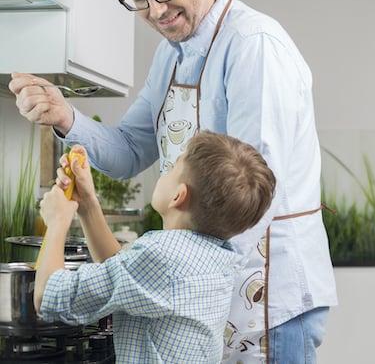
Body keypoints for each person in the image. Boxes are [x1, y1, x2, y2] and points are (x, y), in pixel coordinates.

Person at [10, 0, 337, 363]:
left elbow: (257, 193)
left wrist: (174, 277)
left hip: (267, 297)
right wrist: (65, 116)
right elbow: (128, 150)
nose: (156, 10)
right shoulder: (173, 55)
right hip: (207, 294)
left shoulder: (253, 46)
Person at [35, 130, 276, 363]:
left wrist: (58, 222)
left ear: (178, 196)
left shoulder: (161, 256)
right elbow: (124, 272)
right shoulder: (215, 255)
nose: (165, 172)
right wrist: (87, 204)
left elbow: (50, 296)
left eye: (172, 169)